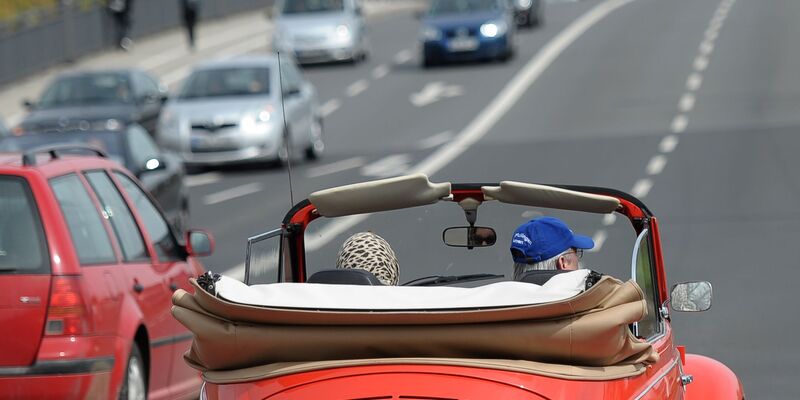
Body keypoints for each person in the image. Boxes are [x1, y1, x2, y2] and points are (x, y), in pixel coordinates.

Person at [510, 216, 594, 280]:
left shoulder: (502, 299)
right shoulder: (584, 301)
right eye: (575, 251)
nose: (577, 259)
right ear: (563, 262)